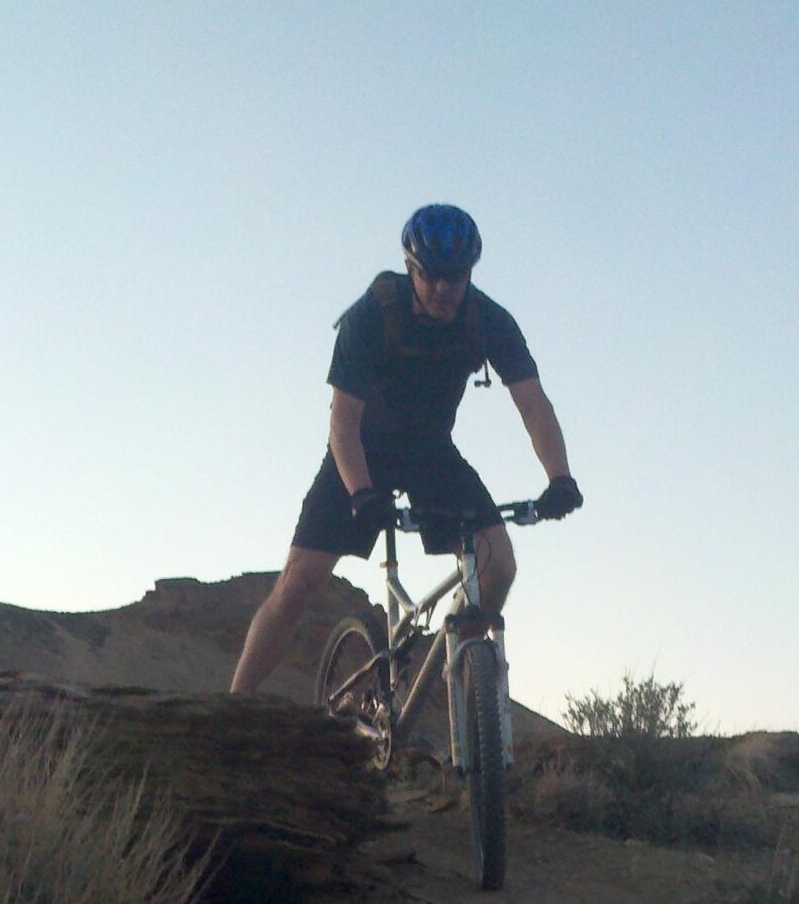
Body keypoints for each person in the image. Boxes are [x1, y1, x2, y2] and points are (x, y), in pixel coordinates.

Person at [228, 204, 579, 695]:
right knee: (301, 580)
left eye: (453, 277)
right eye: (430, 275)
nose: (441, 288)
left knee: (498, 565)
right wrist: (359, 492)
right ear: (411, 268)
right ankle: (235, 704)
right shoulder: (371, 315)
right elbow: (343, 421)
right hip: (361, 450)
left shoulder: (489, 321)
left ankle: (454, 679)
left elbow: (532, 402)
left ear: (469, 274)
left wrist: (559, 477)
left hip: (431, 452)